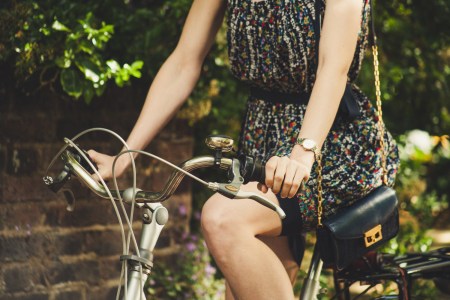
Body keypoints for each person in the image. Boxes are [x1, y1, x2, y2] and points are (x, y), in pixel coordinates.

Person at [88, 0, 400, 298]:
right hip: (262, 136)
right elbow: (184, 62)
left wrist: (303, 154)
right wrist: (125, 156)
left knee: (222, 218)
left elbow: (333, 70)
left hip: (331, 140)